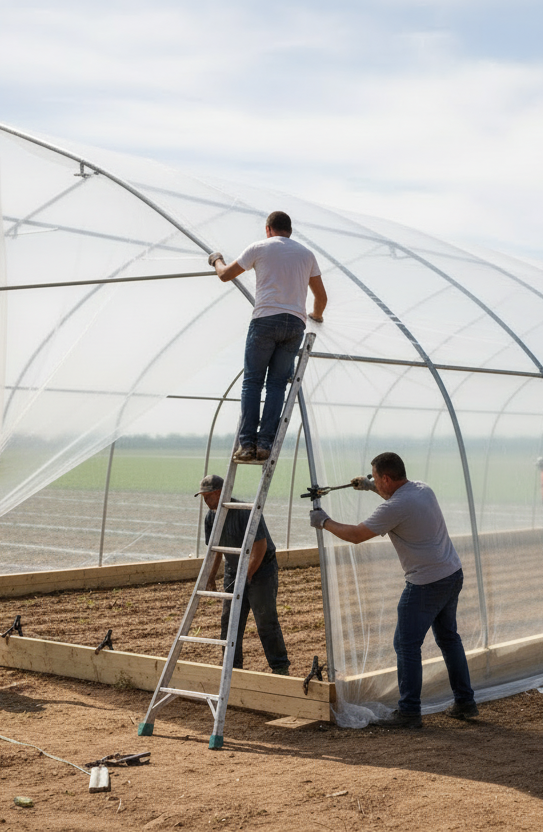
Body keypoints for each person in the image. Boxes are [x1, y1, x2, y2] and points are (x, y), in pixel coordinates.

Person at [309, 452, 477, 728]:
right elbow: (394, 498)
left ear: (386, 478)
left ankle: (410, 712)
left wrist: (324, 521)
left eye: (375, 477)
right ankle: (465, 703)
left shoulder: (395, 507)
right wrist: (369, 485)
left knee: (406, 644)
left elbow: (356, 535)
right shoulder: (422, 489)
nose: (373, 480)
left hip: (426, 582)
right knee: (449, 638)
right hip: (451, 573)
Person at [209, 211, 328, 464]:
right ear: (290, 230)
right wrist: (316, 316)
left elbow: (224, 275)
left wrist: (216, 259)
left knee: (252, 382)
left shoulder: (259, 248)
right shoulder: (306, 255)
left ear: (268, 229)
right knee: (276, 385)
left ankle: (247, 445)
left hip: (265, 320)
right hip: (295, 323)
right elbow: (321, 298)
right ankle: (265, 445)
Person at [195, 474, 290, 675]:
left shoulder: (246, 512)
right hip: (233, 570)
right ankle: (231, 668)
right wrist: (210, 577)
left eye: (208, 496)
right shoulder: (211, 517)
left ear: (220, 493)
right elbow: (216, 550)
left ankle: (280, 668)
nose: (205, 501)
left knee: (265, 620)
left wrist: (246, 577)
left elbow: (260, 545)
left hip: (261, 570)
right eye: (203, 497)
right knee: (229, 622)